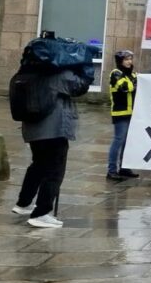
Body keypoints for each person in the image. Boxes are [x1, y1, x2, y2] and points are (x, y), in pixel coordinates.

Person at [10, 55, 91, 229]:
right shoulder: (59, 74)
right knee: (54, 171)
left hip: (33, 129)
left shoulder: (29, 72)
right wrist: (84, 67)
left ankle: (23, 203)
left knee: (38, 165)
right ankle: (41, 213)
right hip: (54, 130)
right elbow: (80, 86)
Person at [106, 50, 139, 182]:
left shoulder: (132, 74)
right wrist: (135, 82)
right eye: (126, 59)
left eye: (130, 59)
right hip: (120, 113)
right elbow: (126, 87)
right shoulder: (116, 73)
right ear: (120, 61)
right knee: (118, 141)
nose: (129, 61)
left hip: (131, 113)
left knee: (127, 142)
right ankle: (112, 170)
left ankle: (124, 168)